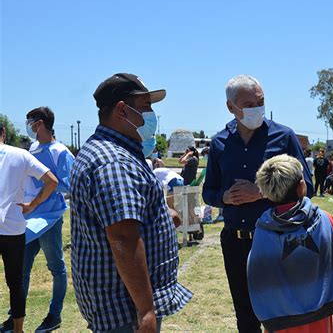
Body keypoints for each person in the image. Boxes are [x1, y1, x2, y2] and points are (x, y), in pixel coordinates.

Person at [70, 73, 192, 332]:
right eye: (145, 107)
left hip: (118, 304)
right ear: (122, 110)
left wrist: (159, 216)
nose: (151, 115)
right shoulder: (115, 162)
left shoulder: (110, 152)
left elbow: (119, 216)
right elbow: (123, 238)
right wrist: (146, 310)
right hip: (125, 310)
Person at [202, 74, 314, 332]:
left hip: (277, 240)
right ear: (231, 107)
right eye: (249, 104)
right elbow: (208, 192)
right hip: (235, 242)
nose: (257, 108)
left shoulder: (283, 137)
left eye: (260, 101)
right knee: (246, 317)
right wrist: (224, 198)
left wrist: (262, 191)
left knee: (282, 315)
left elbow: (307, 187)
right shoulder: (220, 142)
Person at [248, 154, 333, 332]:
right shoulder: (326, 219)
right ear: (302, 187)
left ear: (268, 192)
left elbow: (260, 278)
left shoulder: (262, 229)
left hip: (279, 321)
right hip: (319, 318)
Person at [6, 107, 74, 333]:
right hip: (29, 218)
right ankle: (15, 317)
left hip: (51, 218)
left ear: (40, 123)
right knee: (21, 270)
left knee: (56, 268)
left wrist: (46, 182)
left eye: (31, 122)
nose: (28, 125)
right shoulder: (33, 148)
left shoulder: (60, 151)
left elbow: (67, 184)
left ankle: (54, 315)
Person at [0, 122, 58, 333]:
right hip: (13, 227)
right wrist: (33, 205)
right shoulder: (20, 155)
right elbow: (51, 181)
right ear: (4, 133)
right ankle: (18, 329)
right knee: (15, 282)